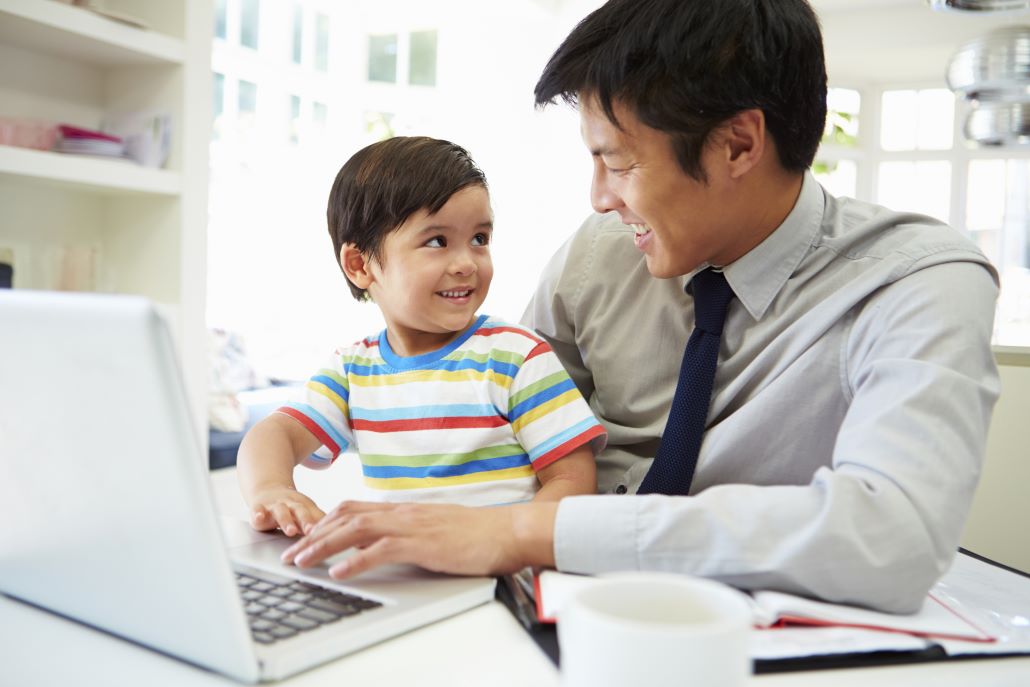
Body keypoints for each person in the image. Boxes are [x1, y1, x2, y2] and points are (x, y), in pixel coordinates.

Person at [281, 0, 999, 613]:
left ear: (737, 144)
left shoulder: (919, 282)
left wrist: (527, 531)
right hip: (534, 610)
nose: (600, 196)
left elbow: (893, 536)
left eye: (619, 162)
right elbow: (495, 417)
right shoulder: (597, 255)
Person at [237, 136, 605, 538]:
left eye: (479, 239)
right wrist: (272, 490)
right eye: (437, 242)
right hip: (403, 575)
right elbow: (272, 435)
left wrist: (500, 537)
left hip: (503, 575)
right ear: (360, 265)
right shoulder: (352, 372)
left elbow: (573, 482)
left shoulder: (517, 358)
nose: (466, 263)